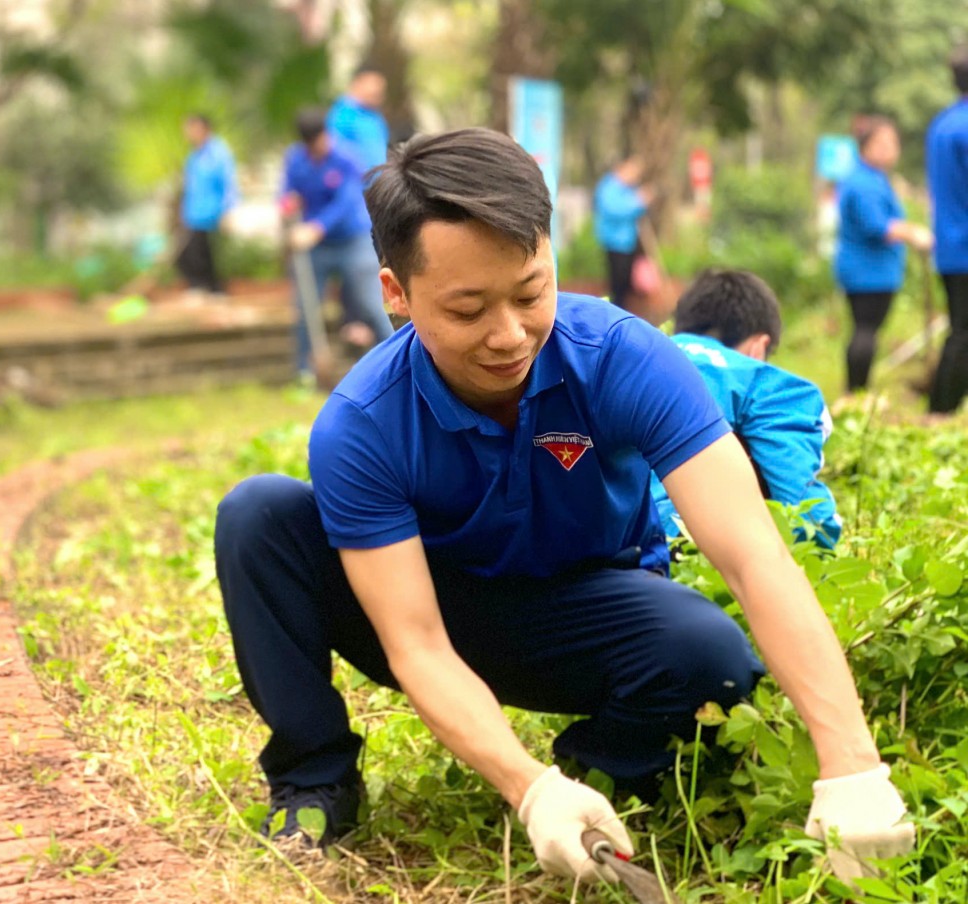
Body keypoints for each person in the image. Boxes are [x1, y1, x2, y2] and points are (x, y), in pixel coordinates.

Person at [215, 128, 912, 888]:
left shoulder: (625, 357)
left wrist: (853, 766)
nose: (509, 334)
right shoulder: (363, 423)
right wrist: (528, 791)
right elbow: (414, 643)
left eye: (529, 291)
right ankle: (315, 777)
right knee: (260, 515)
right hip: (431, 605)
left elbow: (754, 556)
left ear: (549, 255)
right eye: (468, 308)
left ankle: (597, 769)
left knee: (709, 656)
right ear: (396, 295)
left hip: (585, 606)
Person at [650, 269, 841, 549]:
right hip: (680, 542)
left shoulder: (625, 355)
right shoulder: (766, 384)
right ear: (758, 347)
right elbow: (809, 520)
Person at [279, 108, 394, 376]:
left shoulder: (345, 158)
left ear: (325, 135)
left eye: (318, 142)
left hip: (351, 240)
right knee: (306, 306)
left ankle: (395, 362)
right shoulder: (296, 160)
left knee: (369, 302)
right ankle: (305, 372)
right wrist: (287, 205)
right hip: (314, 247)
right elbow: (286, 192)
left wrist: (316, 227)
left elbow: (347, 201)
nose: (315, 149)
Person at [834, 116, 933, 393]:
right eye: (882, 143)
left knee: (866, 330)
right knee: (865, 330)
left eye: (893, 142)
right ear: (865, 147)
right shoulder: (865, 183)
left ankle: (857, 390)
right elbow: (876, 225)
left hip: (872, 271)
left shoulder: (873, 178)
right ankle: (856, 392)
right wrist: (913, 232)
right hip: (868, 272)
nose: (890, 148)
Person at [926, 45, 968, 415]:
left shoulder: (942, 123)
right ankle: (941, 409)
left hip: (949, 245)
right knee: (963, 335)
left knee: (959, 330)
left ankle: (939, 406)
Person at [176, 114, 237, 298]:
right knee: (190, 255)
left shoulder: (219, 152)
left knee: (210, 256)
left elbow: (229, 183)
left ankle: (215, 290)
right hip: (194, 215)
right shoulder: (193, 157)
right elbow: (190, 188)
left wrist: (228, 210)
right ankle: (201, 289)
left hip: (213, 215)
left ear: (203, 129)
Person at [594, 155, 654, 316]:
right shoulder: (609, 187)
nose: (635, 176)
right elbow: (614, 209)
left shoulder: (629, 189)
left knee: (628, 285)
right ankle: (615, 316)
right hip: (615, 243)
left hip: (629, 242)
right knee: (618, 285)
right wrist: (638, 202)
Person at [327, 64, 389, 175]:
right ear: (358, 83)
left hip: (379, 185)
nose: (379, 93)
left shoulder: (375, 117)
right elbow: (335, 152)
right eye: (374, 87)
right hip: (355, 187)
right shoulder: (342, 116)